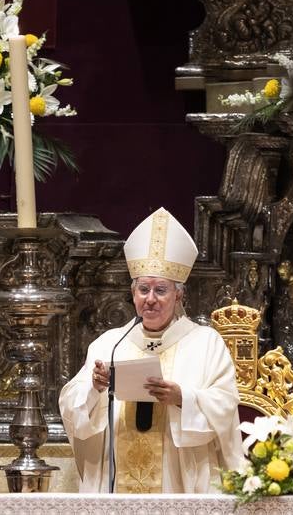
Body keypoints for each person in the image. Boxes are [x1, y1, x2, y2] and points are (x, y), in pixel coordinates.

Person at [59, 208, 242, 493]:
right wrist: (94, 388)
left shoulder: (206, 343)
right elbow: (72, 407)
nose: (150, 299)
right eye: (143, 289)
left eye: (161, 290)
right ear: (132, 293)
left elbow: (226, 404)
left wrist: (183, 398)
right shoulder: (110, 343)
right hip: (116, 481)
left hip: (178, 481)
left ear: (179, 294)